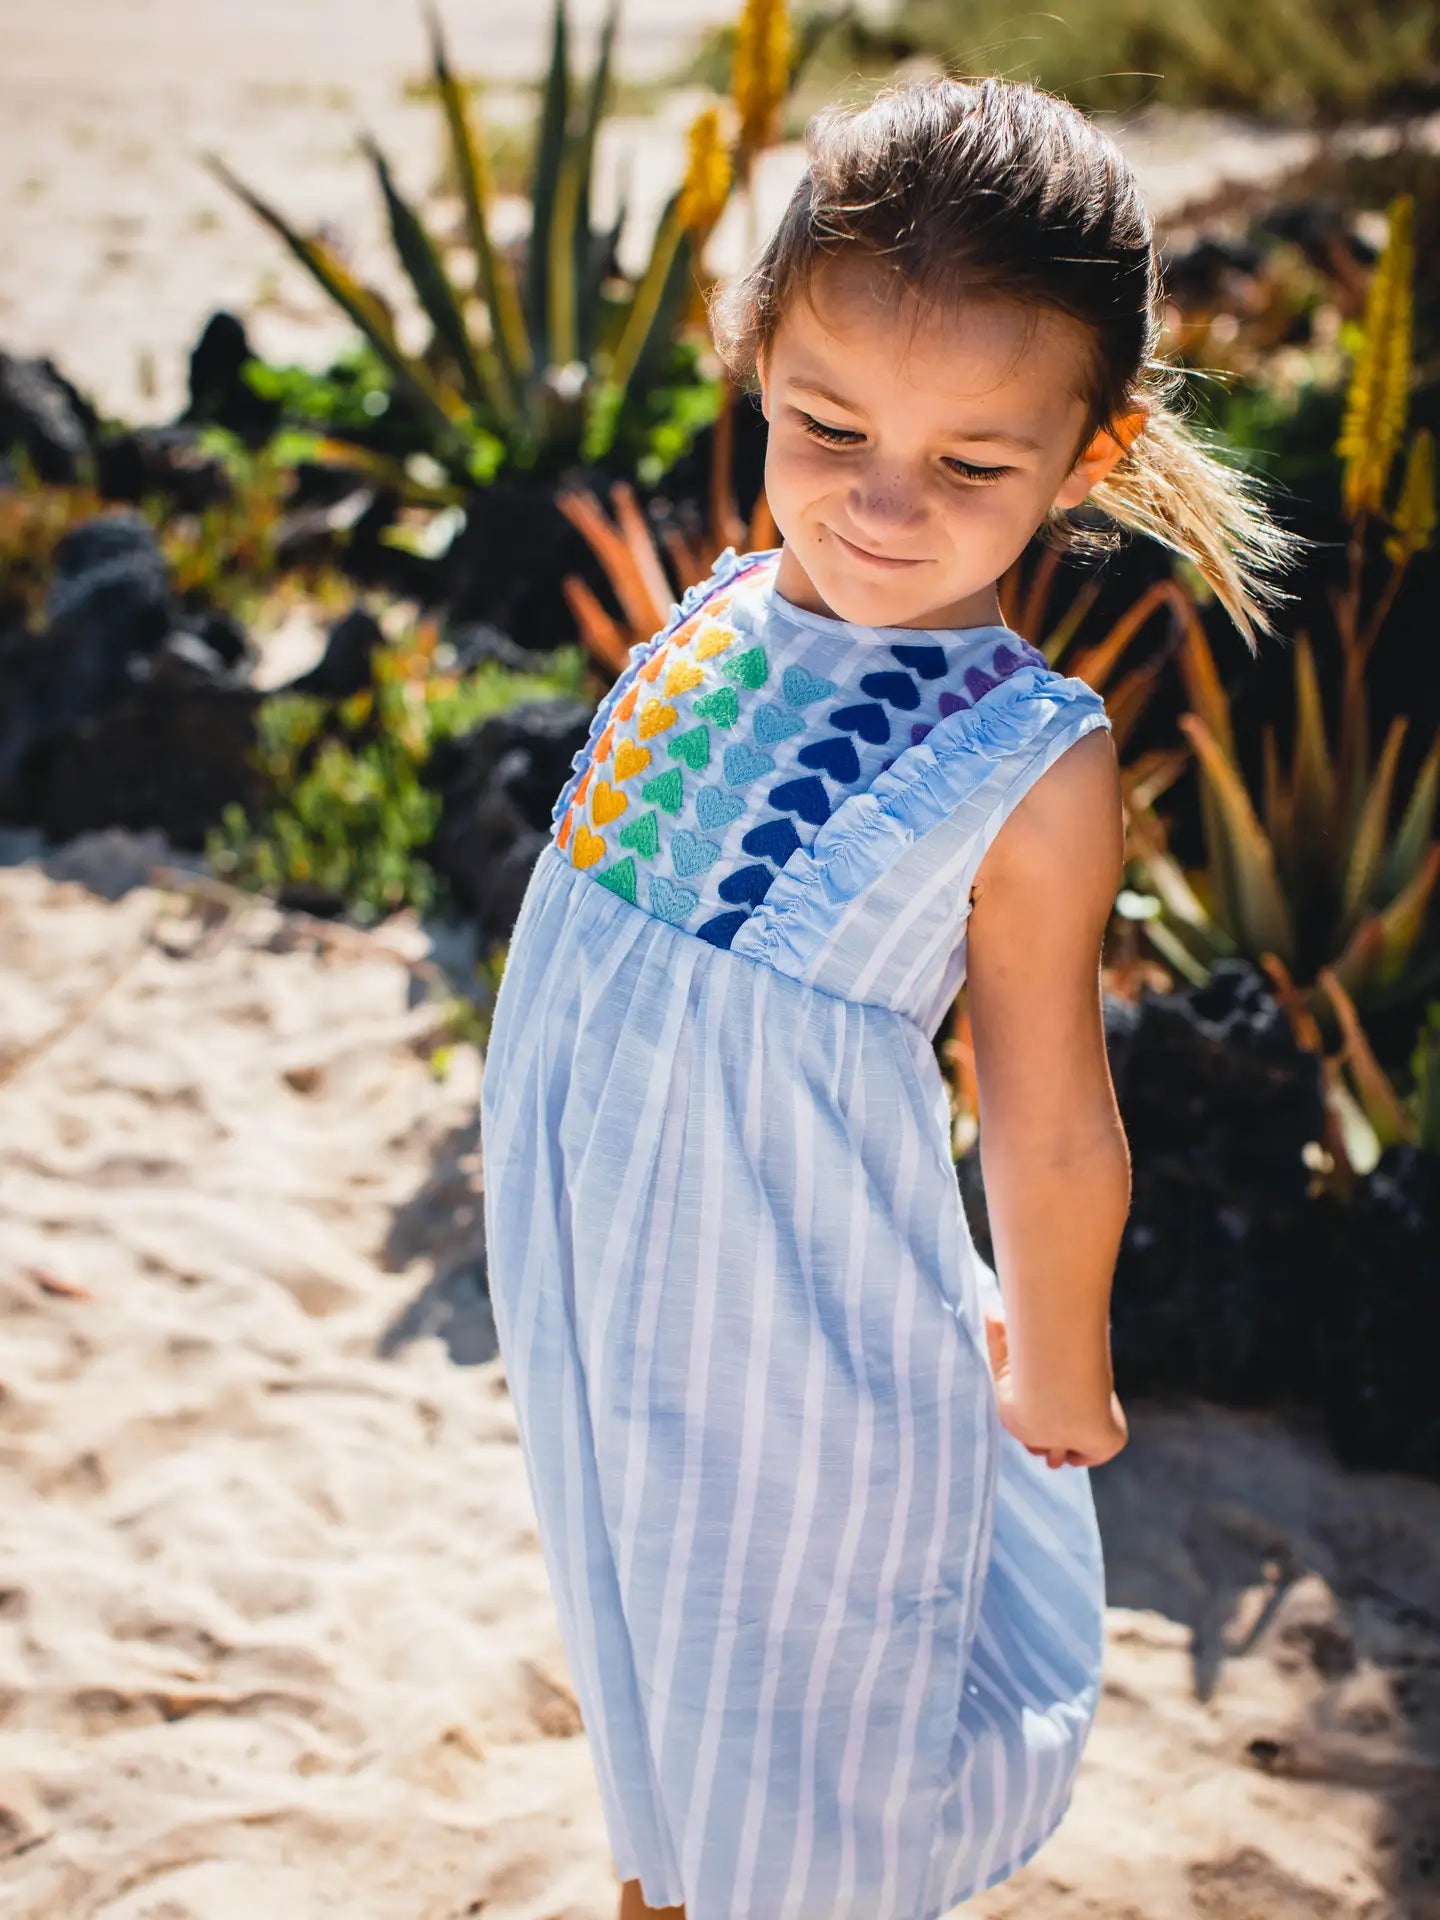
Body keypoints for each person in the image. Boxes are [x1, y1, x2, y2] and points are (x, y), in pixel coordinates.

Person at [479, 73, 1301, 1920]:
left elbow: (1050, 1111)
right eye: (828, 424)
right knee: (654, 1645)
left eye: (971, 466)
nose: (877, 501)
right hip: (610, 1278)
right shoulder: (725, 609)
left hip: (794, 1316)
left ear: (1088, 457)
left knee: (804, 1688)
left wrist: (1065, 1363)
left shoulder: (1025, 758)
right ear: (755, 355)